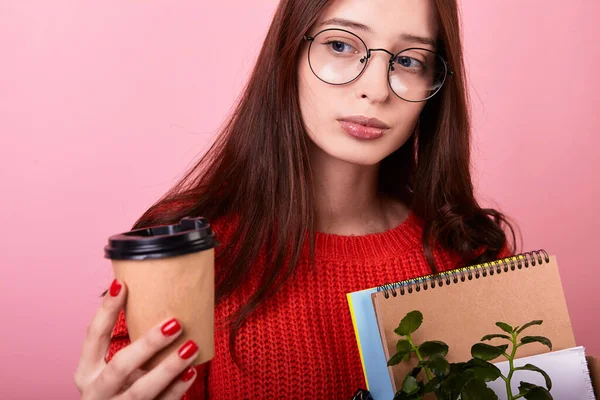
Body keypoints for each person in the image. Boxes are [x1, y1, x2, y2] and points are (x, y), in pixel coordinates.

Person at [73, 0, 516, 398]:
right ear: (289, 54)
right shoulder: (190, 252)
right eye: (341, 46)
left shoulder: (470, 252)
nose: (377, 90)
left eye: (407, 60)